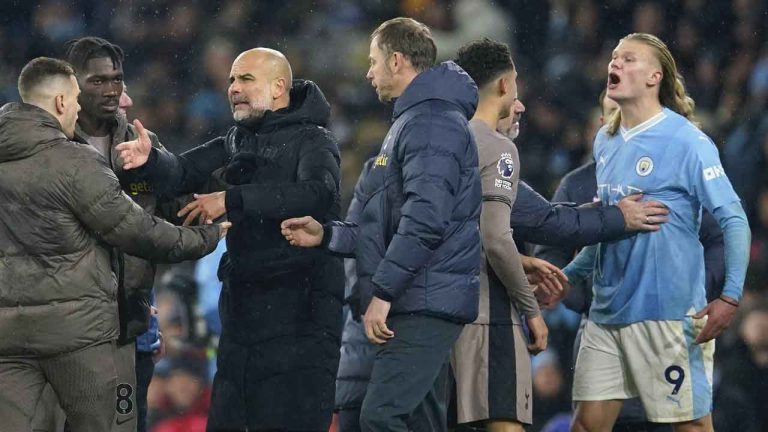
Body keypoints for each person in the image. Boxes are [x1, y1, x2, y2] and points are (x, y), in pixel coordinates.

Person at [114, 47, 344, 431]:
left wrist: (231, 199)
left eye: (245, 79)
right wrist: (151, 159)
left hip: (301, 315)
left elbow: (317, 194)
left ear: (278, 87)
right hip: (243, 317)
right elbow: (184, 171)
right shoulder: (237, 139)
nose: (233, 87)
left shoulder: (315, 140)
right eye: (232, 80)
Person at [0, 57, 224, 432]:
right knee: (117, 423)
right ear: (59, 103)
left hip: (8, 337)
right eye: (74, 100)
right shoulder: (73, 163)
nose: (77, 110)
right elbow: (137, 231)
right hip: (78, 337)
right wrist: (208, 237)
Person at [281, 17, 481, 431]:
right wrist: (327, 234)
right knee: (420, 421)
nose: (368, 72)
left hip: (422, 299)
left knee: (381, 417)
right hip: (419, 295)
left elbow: (426, 219)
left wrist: (384, 293)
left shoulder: (432, 122)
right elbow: (378, 225)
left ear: (397, 61)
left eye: (373, 62)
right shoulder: (411, 122)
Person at [562, 33, 750, 431]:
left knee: (691, 426)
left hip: (667, 315)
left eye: (628, 59)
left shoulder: (687, 141)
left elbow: (734, 220)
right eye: (614, 57)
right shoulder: (606, 140)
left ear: (654, 76)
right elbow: (609, 229)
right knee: (584, 426)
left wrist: (730, 297)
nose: (616, 63)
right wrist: (568, 276)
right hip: (605, 315)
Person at [536, 90, 725, 432]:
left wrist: (696, 292)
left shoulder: (683, 175)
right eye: (612, 113)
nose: (622, 122)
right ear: (598, 125)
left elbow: (717, 240)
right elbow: (550, 257)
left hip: (669, 326)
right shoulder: (577, 185)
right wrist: (588, 299)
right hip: (602, 328)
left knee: (684, 422)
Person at [451, 38, 567, 431]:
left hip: (438, 316)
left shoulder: (435, 142)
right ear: (505, 84)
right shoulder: (499, 147)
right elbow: (496, 238)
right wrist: (531, 312)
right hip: (490, 317)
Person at [62, 36, 169, 432]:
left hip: (131, 326)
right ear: (71, 84)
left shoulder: (144, 145)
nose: (112, 91)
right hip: (68, 330)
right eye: (98, 80)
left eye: (118, 80)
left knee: (128, 423)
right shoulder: (48, 147)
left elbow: (170, 217)